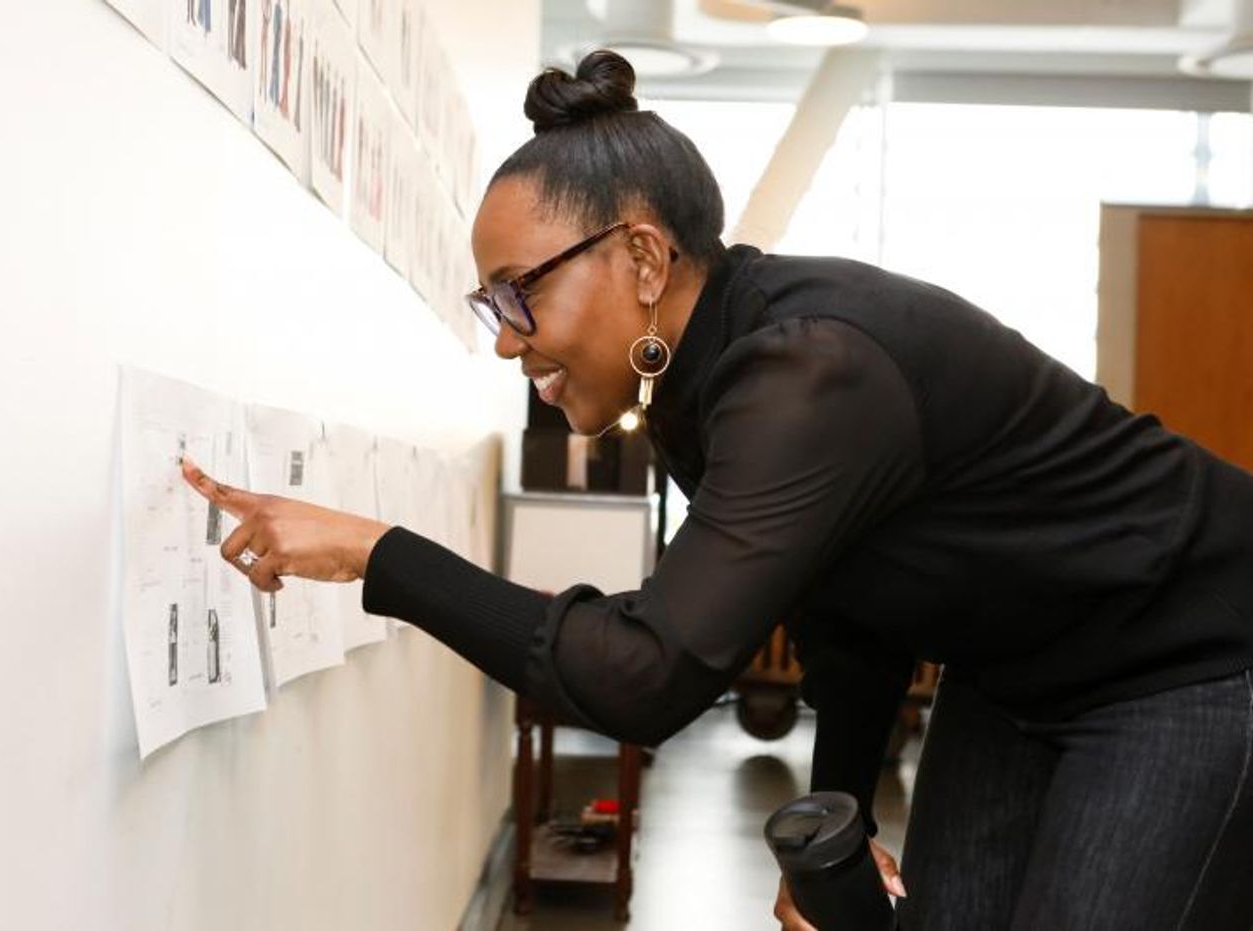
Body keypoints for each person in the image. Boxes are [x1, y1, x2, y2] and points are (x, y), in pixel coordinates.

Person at [182, 49, 1253, 931]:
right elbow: (850, 620)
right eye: (489, 305)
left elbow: (649, 674)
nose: (508, 340)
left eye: (521, 295)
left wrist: (381, 555)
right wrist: (835, 824)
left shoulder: (804, 373)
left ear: (641, 255)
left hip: (1184, 660)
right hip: (1013, 672)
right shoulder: (692, 382)